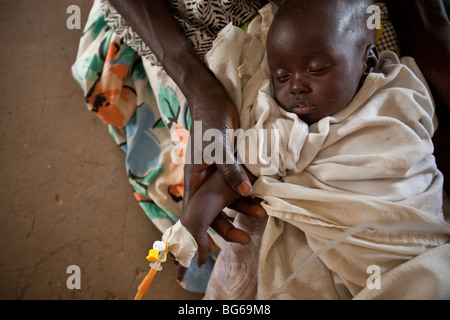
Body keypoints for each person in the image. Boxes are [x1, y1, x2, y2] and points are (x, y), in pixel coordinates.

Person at [72, 0, 450, 294]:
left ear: (368, 61)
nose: (296, 86)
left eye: (317, 69)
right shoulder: (292, 127)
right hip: (354, 240)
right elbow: (248, 158)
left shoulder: (402, 85)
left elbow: (425, 130)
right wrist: (194, 218)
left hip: (414, 234)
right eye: (281, 76)